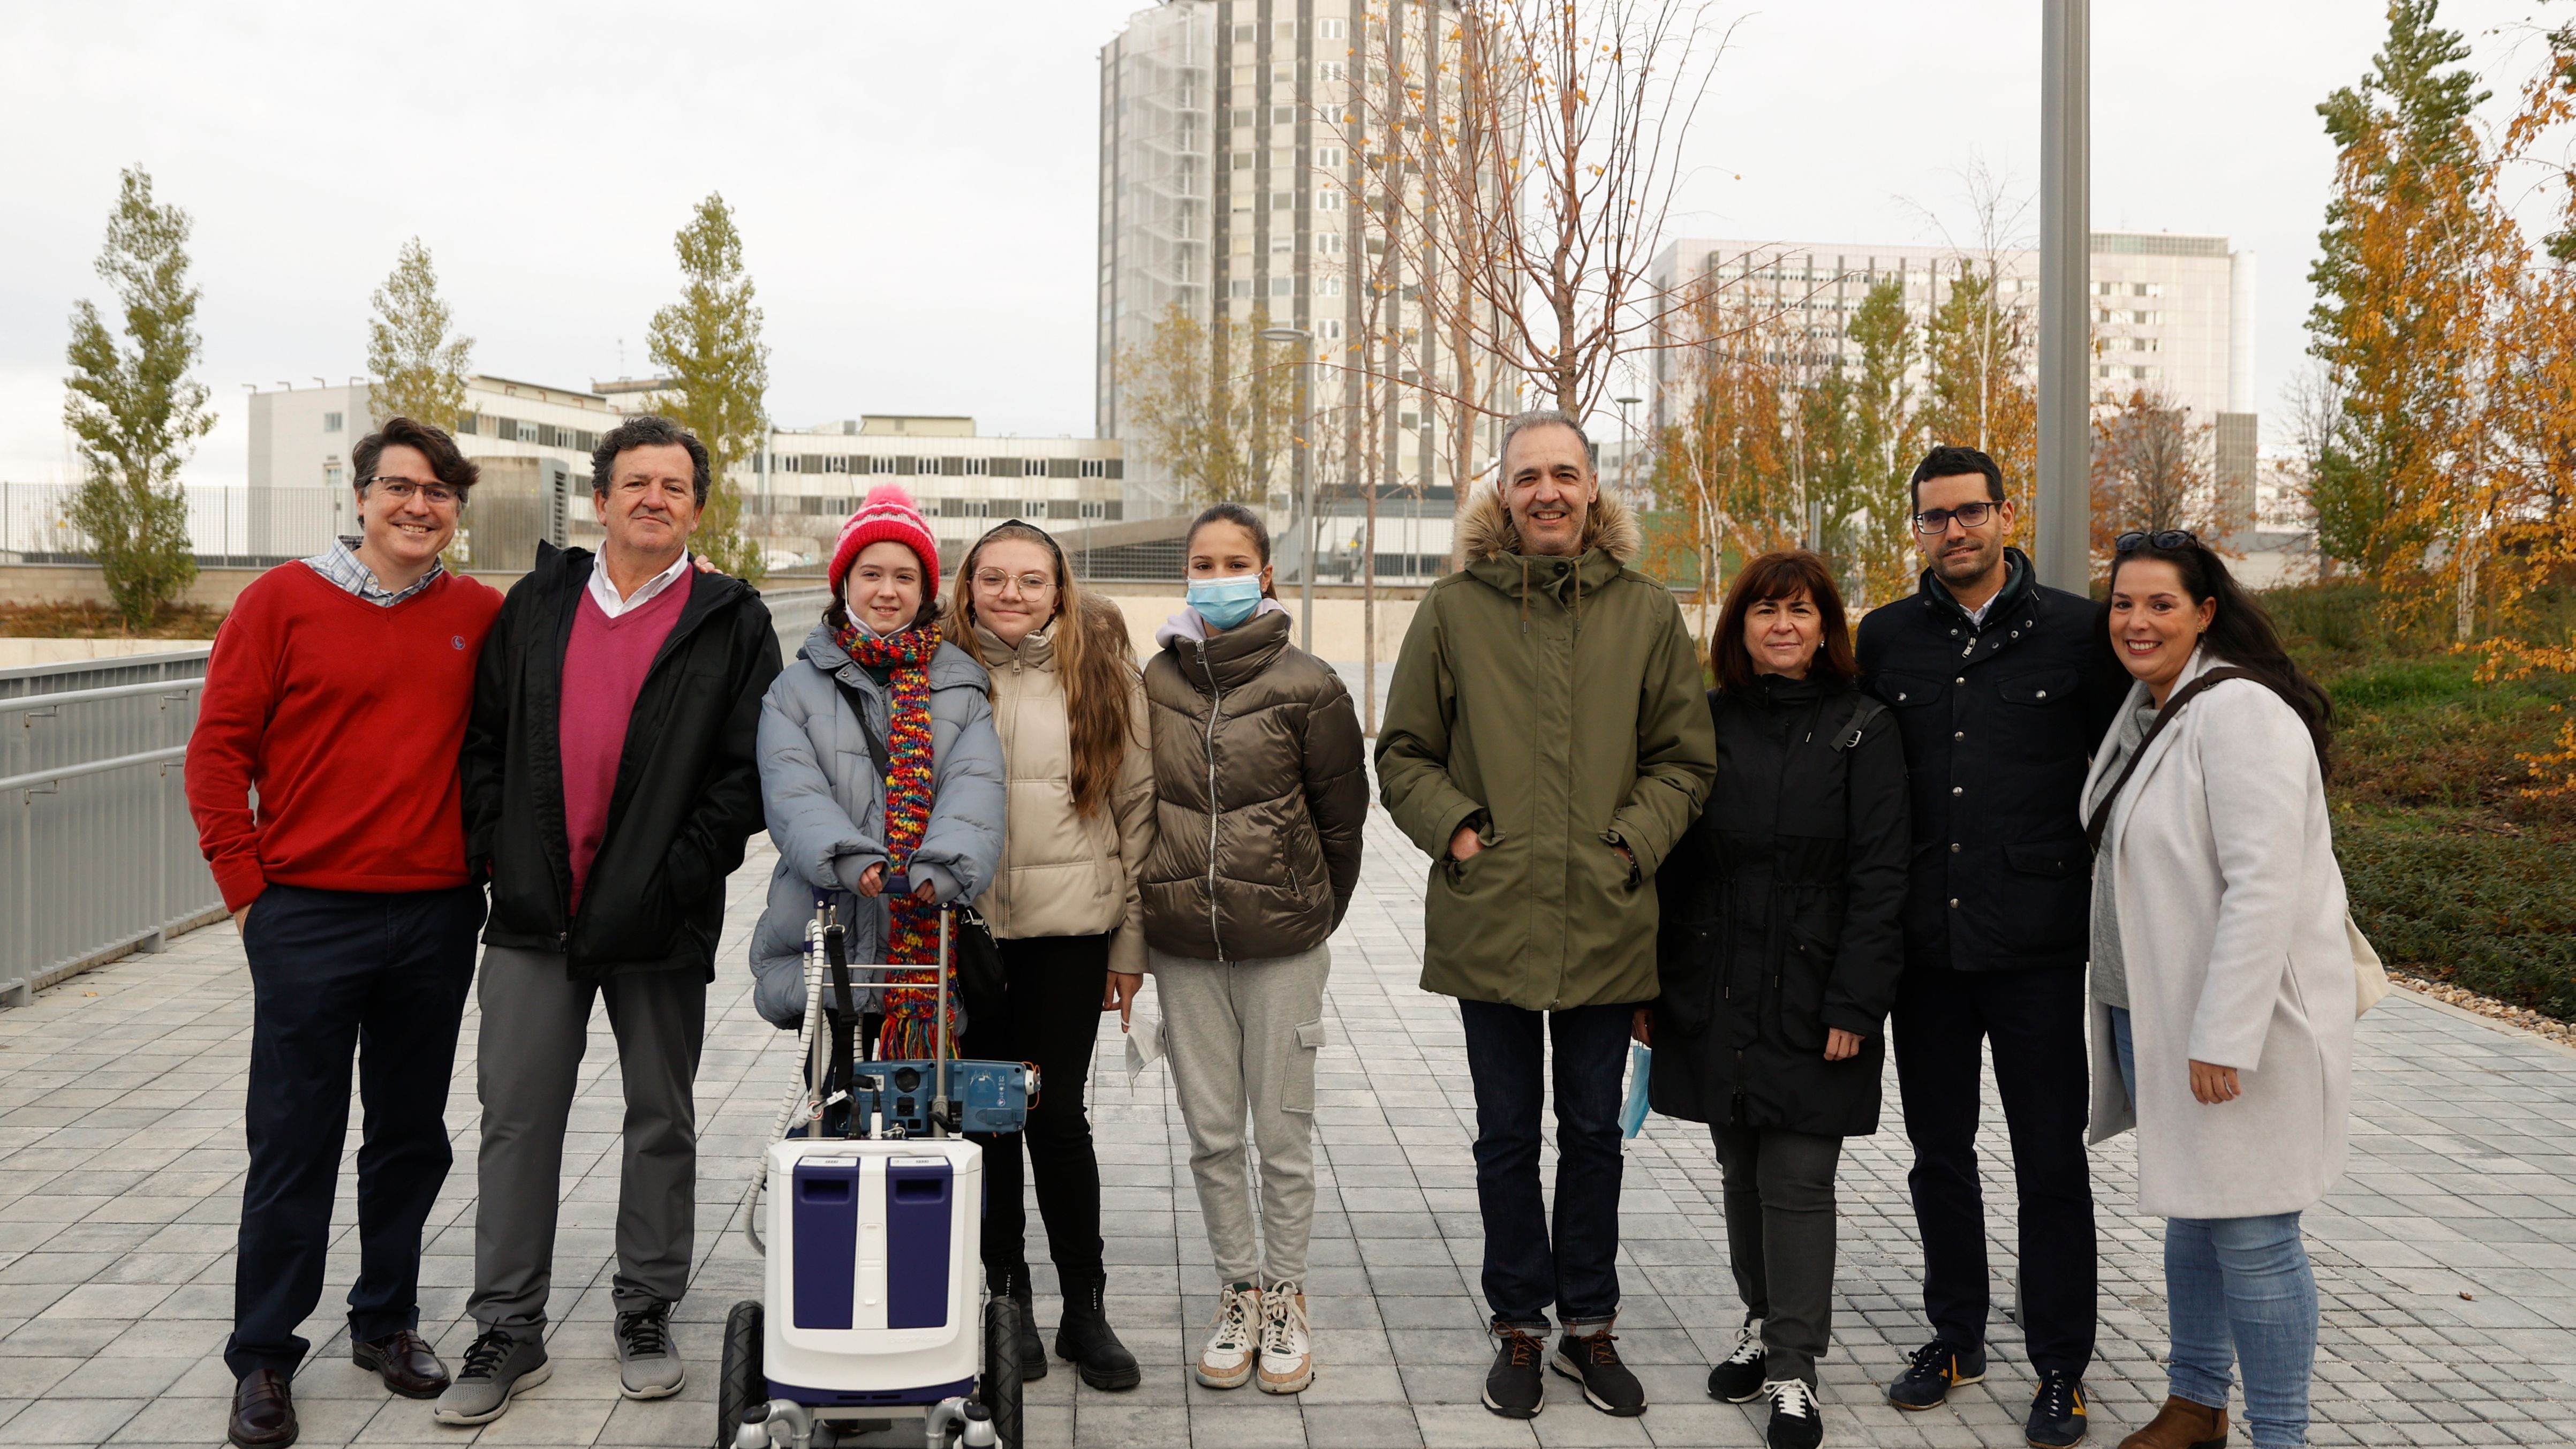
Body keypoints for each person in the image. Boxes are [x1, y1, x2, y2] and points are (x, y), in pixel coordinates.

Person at [437, 416, 781, 1425]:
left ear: (697, 509)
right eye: (636, 482)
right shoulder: (537, 604)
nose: (654, 499)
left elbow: (744, 775)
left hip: (659, 919)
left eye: (674, 486)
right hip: (534, 915)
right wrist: (498, 858)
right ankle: (508, 1324)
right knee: (517, 1119)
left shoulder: (731, 620)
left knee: (661, 1118)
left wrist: (676, 877)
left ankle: (646, 1309)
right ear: (601, 499)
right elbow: (484, 741)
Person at [1378, 410, 1717, 1422]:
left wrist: (1628, 848)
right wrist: (1462, 834)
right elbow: (1403, 752)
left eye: (1564, 473)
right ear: (1503, 491)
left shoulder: (1645, 612)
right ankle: (1520, 1324)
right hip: (1492, 915)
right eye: (1528, 476)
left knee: (1594, 1132)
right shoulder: (1454, 610)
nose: (1547, 492)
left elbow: (1685, 759)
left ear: (1592, 486)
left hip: (1607, 917)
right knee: (1505, 1135)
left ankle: (1591, 1323)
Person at [186, 418, 502, 1449]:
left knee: (410, 1136)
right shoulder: (278, 602)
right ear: (360, 496)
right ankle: (264, 1354)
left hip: (436, 913)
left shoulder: (481, 615)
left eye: (440, 492)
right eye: (400, 486)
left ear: (456, 510)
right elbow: (217, 753)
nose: (419, 505)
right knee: (294, 1139)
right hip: (308, 914)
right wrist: (249, 896)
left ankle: (385, 1321)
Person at [1855, 443, 2126, 1446]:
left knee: (2050, 1159)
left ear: (2006, 515)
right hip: (1925, 952)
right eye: (1935, 516)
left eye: (1971, 511)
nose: (1954, 530)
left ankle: (2061, 1365)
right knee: (1939, 1154)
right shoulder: (1886, 637)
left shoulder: (2078, 633)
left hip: (2038, 952)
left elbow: (2124, 770)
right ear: (1918, 529)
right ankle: (1956, 1336)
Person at [2079, 532, 2350, 1449]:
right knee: (2193, 1208)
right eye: (2123, 603)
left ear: (2204, 612)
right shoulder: (2150, 708)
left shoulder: (2240, 712)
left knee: (2256, 1236)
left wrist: (2224, 1033)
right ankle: (2196, 1403)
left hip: (2232, 1029)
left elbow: (2262, 885)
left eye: (2161, 603)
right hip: (2150, 1012)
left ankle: (2282, 1436)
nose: (2137, 620)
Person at [1644, 551, 1908, 1449]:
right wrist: (1650, 984)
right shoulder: (1705, 720)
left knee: (1797, 1178)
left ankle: (1796, 1369)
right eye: (1765, 610)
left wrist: (1855, 1004)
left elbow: (1882, 877)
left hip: (1816, 993)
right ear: (1740, 627)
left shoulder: (1864, 728)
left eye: (1800, 609)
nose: (1783, 625)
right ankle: (1760, 1322)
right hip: (1715, 984)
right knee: (1741, 1168)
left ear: (1827, 625)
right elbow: (1673, 862)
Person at [1138, 502, 1366, 1397]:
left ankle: (1286, 1295)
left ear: (1265, 573)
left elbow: (1343, 825)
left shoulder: (1312, 685)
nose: (1218, 575)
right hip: (1183, 945)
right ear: (1186, 573)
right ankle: (1238, 1289)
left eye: (1235, 562)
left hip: (1283, 948)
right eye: (1203, 562)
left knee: (1281, 1134)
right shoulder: (1158, 679)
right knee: (1210, 1134)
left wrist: (1308, 915)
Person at [935, 519, 1151, 1389]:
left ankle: (1085, 1309)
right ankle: (1007, 1301)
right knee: (987, 1120)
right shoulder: (942, 669)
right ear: (968, 586)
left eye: (1031, 579)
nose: (1012, 594)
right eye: (994, 578)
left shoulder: (1102, 672)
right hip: (970, 934)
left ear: (1060, 588)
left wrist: (1129, 943)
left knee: (1056, 1116)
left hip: (1071, 931)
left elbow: (1137, 811)